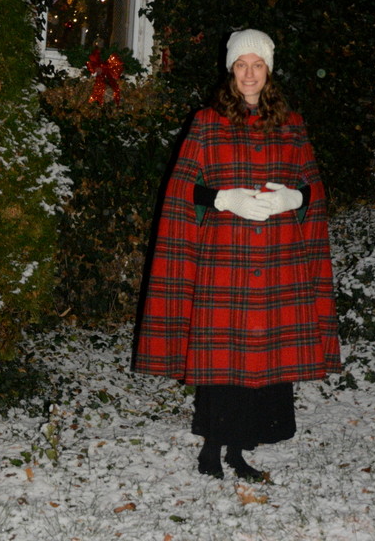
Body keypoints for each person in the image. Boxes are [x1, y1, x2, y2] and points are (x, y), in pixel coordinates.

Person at [133, 29, 341, 481]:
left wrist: (294, 200)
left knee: (263, 360)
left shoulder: (292, 124)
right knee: (222, 358)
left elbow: (315, 188)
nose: (250, 74)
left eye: (258, 65)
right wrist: (225, 199)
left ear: (269, 71)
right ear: (231, 70)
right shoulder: (206, 122)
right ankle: (212, 449)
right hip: (224, 257)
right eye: (242, 65)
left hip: (277, 259)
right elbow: (182, 188)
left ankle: (240, 450)